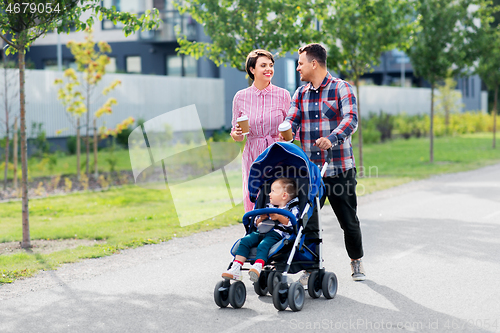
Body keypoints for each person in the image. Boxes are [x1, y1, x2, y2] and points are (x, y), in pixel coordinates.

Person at [283, 43, 366, 281]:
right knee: (307, 221)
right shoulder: (299, 94)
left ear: (313, 63)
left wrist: (332, 138)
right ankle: (311, 267)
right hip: (311, 172)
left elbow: (351, 120)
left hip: (340, 168)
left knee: (348, 222)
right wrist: (286, 132)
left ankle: (356, 260)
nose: (298, 68)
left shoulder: (342, 88)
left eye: (300, 63)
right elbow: (292, 122)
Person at [230, 49, 292, 212]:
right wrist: (236, 134)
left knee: (277, 196)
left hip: (277, 152)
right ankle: (255, 232)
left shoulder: (283, 95)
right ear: (252, 69)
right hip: (253, 154)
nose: (268, 69)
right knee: (255, 198)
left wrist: (287, 136)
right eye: (263, 65)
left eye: (271, 65)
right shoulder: (240, 97)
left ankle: (279, 234)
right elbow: (237, 135)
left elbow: (292, 127)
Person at [222, 178, 300, 282]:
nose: (269, 194)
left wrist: (278, 217)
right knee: (245, 240)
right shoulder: (269, 206)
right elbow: (256, 223)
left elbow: (292, 222)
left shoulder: (292, 207)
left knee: (263, 244)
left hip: (277, 234)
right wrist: (261, 218)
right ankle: (236, 267)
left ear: (284, 195)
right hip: (261, 231)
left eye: (273, 191)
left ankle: (258, 265)